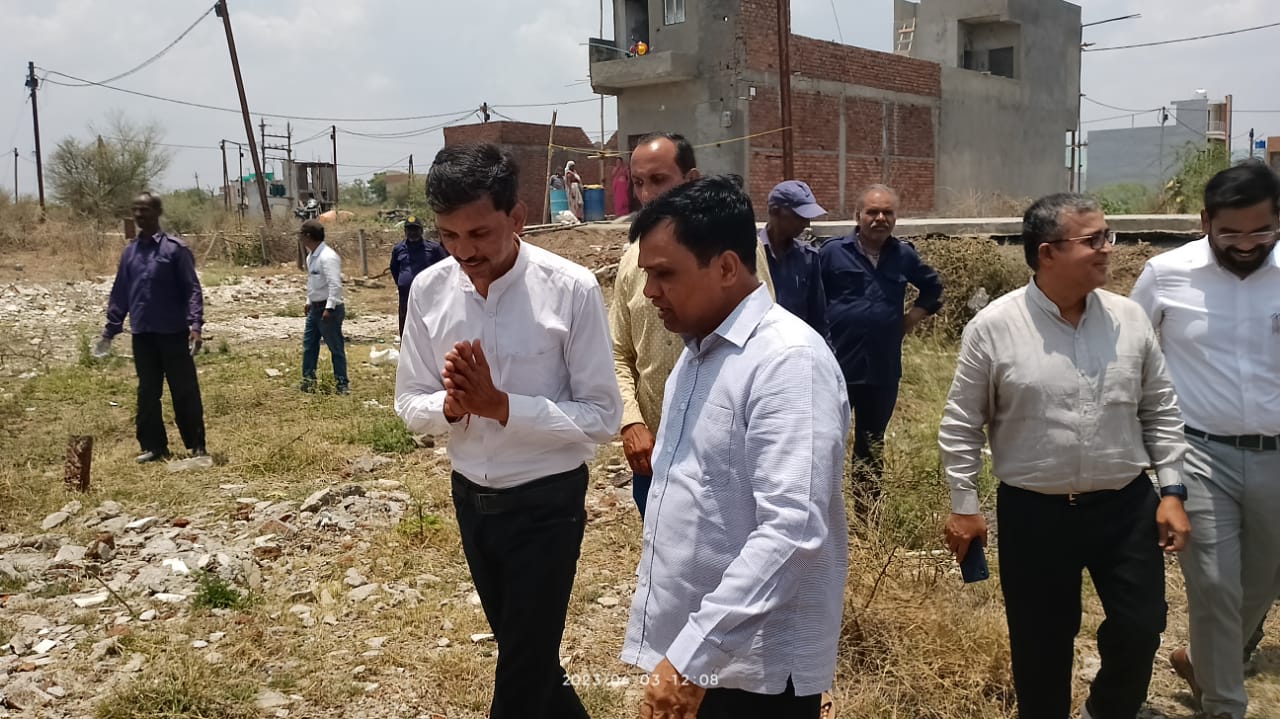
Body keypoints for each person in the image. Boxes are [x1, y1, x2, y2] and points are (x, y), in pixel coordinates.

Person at [939, 193, 1191, 719]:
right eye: (1093, 239)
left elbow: (1161, 409)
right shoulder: (995, 327)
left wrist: (1172, 490)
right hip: (1036, 513)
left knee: (1142, 626)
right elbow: (962, 424)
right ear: (1047, 252)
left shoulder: (1129, 320)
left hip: (1124, 507)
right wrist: (965, 505)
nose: (1108, 249)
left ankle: (1106, 709)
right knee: (1041, 643)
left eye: (1107, 236)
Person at [394, 143, 621, 719]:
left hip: (547, 505)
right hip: (472, 502)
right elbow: (409, 403)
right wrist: (451, 407)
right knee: (531, 660)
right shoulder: (428, 291)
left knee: (521, 672)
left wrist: (502, 407)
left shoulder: (571, 289)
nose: (464, 251)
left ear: (516, 217)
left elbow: (602, 416)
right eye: (449, 235)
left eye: (479, 233)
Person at [622, 175, 848, 719]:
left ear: (726, 267)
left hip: (754, 671)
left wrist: (692, 658)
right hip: (703, 653)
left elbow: (792, 530)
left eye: (664, 274)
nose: (649, 291)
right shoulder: (696, 355)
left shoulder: (787, 362)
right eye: (647, 274)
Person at [1130, 160, 1280, 719]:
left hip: (1275, 456)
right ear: (1205, 222)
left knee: (1261, 585)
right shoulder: (1166, 274)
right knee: (1215, 585)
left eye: (1261, 231)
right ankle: (1224, 705)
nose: (1246, 244)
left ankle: (1202, 660)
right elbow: (1131, 354)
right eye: (1231, 233)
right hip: (1198, 453)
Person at [610, 132, 774, 517]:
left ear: (691, 179)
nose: (647, 194)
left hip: (723, 459)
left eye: (659, 180)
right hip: (654, 454)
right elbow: (618, 352)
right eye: (638, 182)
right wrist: (631, 422)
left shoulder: (731, 252)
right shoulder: (631, 260)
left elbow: (758, 338)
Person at [820, 184, 942, 507]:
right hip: (837, 367)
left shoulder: (904, 256)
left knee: (871, 446)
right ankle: (825, 513)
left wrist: (910, 319)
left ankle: (867, 516)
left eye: (887, 212)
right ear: (857, 215)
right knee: (825, 442)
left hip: (882, 369)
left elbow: (933, 288)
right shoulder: (832, 253)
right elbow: (812, 296)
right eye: (872, 212)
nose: (880, 218)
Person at [96, 192, 207, 463]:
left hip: (173, 333)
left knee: (184, 391)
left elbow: (192, 289)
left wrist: (195, 325)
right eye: (135, 210)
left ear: (158, 212)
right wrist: (110, 330)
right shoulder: (130, 253)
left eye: (144, 210)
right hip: (143, 334)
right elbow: (120, 293)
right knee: (147, 392)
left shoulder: (175, 249)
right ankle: (154, 447)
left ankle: (196, 446)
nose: (139, 215)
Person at [760, 180, 828, 335]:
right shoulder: (750, 255)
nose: (806, 223)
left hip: (797, 342)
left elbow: (818, 318)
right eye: (799, 216)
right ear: (775, 211)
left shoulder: (808, 258)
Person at [299, 219, 349, 394]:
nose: (300, 239)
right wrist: (308, 301)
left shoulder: (328, 257)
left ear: (308, 236)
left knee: (335, 348)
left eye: (302, 235)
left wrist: (329, 308)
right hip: (315, 308)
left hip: (328, 310)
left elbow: (335, 284)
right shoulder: (311, 257)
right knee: (309, 346)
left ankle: (342, 384)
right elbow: (314, 282)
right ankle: (308, 382)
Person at [390, 215, 449, 337]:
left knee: (427, 327)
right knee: (406, 326)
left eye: (415, 229)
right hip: (405, 295)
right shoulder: (398, 249)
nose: (412, 232)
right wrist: (402, 283)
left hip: (428, 296)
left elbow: (447, 267)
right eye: (409, 229)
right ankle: (405, 349)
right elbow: (394, 269)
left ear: (421, 230)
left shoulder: (433, 249)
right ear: (405, 231)